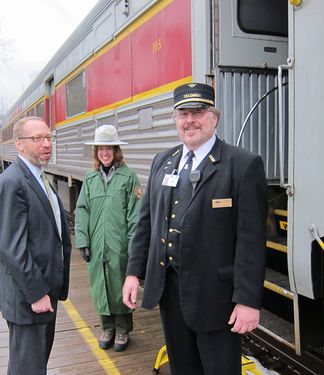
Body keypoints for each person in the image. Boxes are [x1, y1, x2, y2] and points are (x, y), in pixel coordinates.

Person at [122, 83, 267, 374]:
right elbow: (146, 223)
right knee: (182, 368)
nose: (190, 120)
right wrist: (133, 273)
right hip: (170, 291)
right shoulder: (163, 161)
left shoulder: (242, 165)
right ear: (175, 120)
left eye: (199, 112)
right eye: (183, 113)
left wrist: (248, 300)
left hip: (217, 297)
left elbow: (251, 241)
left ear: (215, 118)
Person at [0, 116, 72, 375]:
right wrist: (36, 293)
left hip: (44, 292)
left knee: (37, 364)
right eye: (37, 138)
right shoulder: (12, 183)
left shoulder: (38, 177)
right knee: (28, 368)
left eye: (48, 137)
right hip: (28, 298)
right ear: (19, 145)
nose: (46, 143)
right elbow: (11, 247)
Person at [75, 125, 142, 352]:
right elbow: (82, 210)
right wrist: (83, 240)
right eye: (100, 148)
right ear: (96, 152)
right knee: (100, 285)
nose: (104, 153)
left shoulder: (128, 176)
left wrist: (134, 247)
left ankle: (123, 329)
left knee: (119, 285)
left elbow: (135, 215)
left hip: (119, 244)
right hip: (97, 244)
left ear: (116, 151)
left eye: (109, 148)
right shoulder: (90, 178)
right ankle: (107, 327)